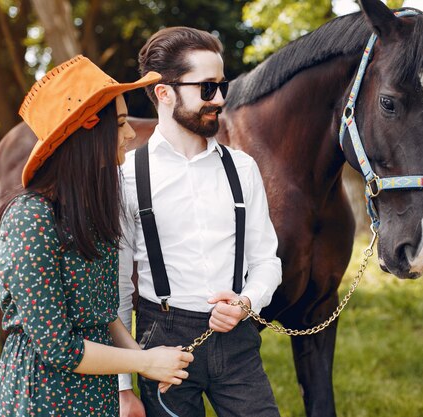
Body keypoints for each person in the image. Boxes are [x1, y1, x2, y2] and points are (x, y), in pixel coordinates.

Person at [0, 55, 194, 417]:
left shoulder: (89, 212)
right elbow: (58, 348)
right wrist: (145, 363)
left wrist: (144, 360)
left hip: (95, 394)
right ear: (87, 133)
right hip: (45, 398)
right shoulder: (30, 219)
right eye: (119, 124)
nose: (131, 134)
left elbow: (102, 312)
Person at [118, 27, 282, 416]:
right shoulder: (128, 176)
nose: (220, 99)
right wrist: (124, 386)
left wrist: (246, 302)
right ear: (164, 92)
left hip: (237, 342)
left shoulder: (242, 168)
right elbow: (120, 286)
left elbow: (267, 261)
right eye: (207, 88)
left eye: (221, 86)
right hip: (162, 343)